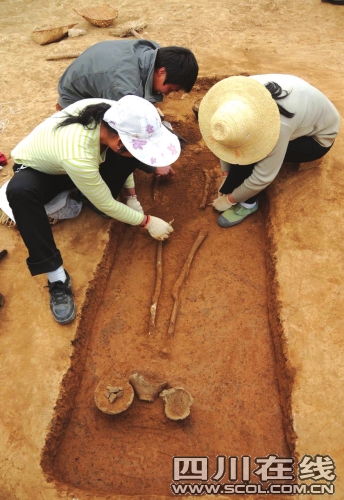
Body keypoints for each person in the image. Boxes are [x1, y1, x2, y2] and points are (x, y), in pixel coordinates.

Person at [6, 95, 182, 325]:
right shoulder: (78, 153)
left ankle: (87, 189)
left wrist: (131, 196)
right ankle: (57, 277)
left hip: (79, 164)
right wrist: (147, 221)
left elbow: (127, 159)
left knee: (124, 163)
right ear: (119, 142)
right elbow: (106, 204)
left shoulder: (113, 114)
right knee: (20, 193)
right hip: (44, 171)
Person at [198, 74, 340, 227]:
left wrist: (230, 199)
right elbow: (227, 143)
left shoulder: (277, 127)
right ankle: (236, 185)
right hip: (302, 118)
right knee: (241, 150)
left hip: (317, 139)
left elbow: (262, 178)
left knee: (251, 156)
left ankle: (249, 205)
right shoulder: (238, 94)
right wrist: (226, 174)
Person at [56, 40, 198, 179]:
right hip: (75, 100)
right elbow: (127, 133)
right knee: (115, 148)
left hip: (95, 79)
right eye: (171, 89)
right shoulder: (124, 89)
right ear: (161, 72)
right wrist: (153, 166)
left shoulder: (152, 52)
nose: (167, 94)